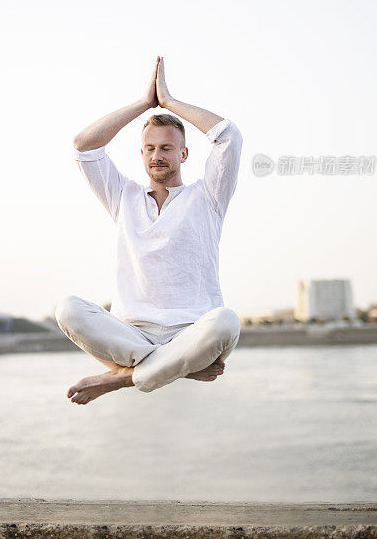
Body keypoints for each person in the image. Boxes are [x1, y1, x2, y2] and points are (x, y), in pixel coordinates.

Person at [55, 55, 243, 405]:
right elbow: (84, 144)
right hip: (131, 334)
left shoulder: (208, 196)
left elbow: (228, 136)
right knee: (67, 309)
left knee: (227, 322)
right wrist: (144, 104)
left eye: (167, 148)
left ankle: (121, 379)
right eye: (151, 148)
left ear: (184, 153)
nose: (158, 155)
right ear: (142, 153)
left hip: (192, 333)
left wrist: (169, 101)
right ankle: (176, 368)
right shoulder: (122, 195)